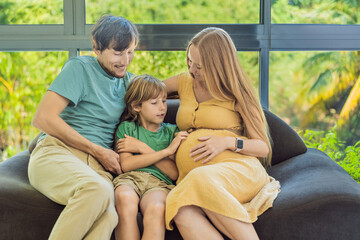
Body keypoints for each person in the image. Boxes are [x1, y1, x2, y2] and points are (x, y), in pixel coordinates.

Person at [27, 15, 138, 240]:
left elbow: (164, 88)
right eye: (117, 52)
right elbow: (43, 118)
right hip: (59, 152)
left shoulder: (127, 82)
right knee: (96, 190)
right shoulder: (80, 68)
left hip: (96, 168)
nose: (125, 60)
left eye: (130, 51)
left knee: (109, 216)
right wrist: (98, 150)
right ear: (96, 50)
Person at [164, 27, 281, 240]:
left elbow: (263, 147)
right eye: (189, 60)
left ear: (218, 66)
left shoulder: (238, 94)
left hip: (239, 172)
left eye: (199, 66)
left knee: (198, 178)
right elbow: (145, 91)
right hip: (199, 180)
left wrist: (227, 142)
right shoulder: (184, 82)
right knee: (180, 210)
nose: (192, 69)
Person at [113, 74, 188, 240]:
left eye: (164, 101)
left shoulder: (172, 133)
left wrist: (142, 147)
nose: (162, 108)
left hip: (160, 184)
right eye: (154, 103)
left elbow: (174, 174)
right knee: (124, 198)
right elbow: (126, 165)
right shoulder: (128, 128)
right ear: (136, 106)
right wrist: (165, 153)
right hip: (131, 179)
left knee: (156, 207)